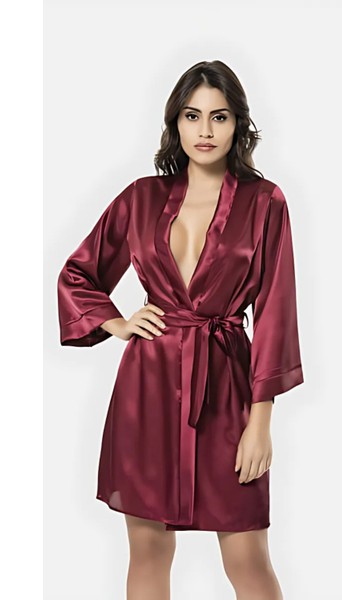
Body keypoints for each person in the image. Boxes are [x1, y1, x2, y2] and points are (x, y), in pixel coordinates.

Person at [57, 59, 304, 600]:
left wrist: (260, 422)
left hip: (227, 389)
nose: (205, 130)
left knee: (248, 559)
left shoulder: (265, 202)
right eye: (192, 116)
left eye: (219, 117)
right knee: (147, 553)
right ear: (175, 122)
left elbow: (276, 312)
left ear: (238, 124)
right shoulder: (141, 197)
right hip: (147, 388)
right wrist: (117, 322)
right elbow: (77, 274)